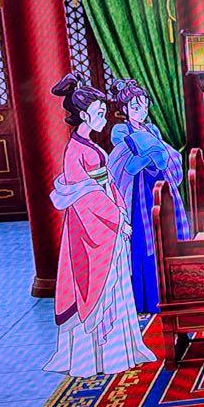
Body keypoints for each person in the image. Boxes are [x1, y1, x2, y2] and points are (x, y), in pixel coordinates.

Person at [43, 74, 154, 378]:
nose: (104, 118)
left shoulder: (88, 145)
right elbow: (87, 195)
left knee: (115, 287)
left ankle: (120, 351)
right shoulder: (75, 150)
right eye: (100, 113)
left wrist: (120, 210)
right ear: (83, 115)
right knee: (100, 288)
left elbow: (107, 185)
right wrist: (117, 220)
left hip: (107, 220)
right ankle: (96, 356)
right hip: (91, 229)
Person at [107, 78, 189, 316]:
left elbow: (166, 159)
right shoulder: (121, 131)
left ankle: (169, 293)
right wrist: (151, 154)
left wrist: (154, 153)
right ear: (124, 109)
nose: (141, 111)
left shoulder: (151, 129)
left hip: (161, 188)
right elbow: (127, 167)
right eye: (135, 107)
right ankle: (147, 299)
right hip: (138, 194)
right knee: (145, 243)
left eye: (144, 106)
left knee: (166, 237)